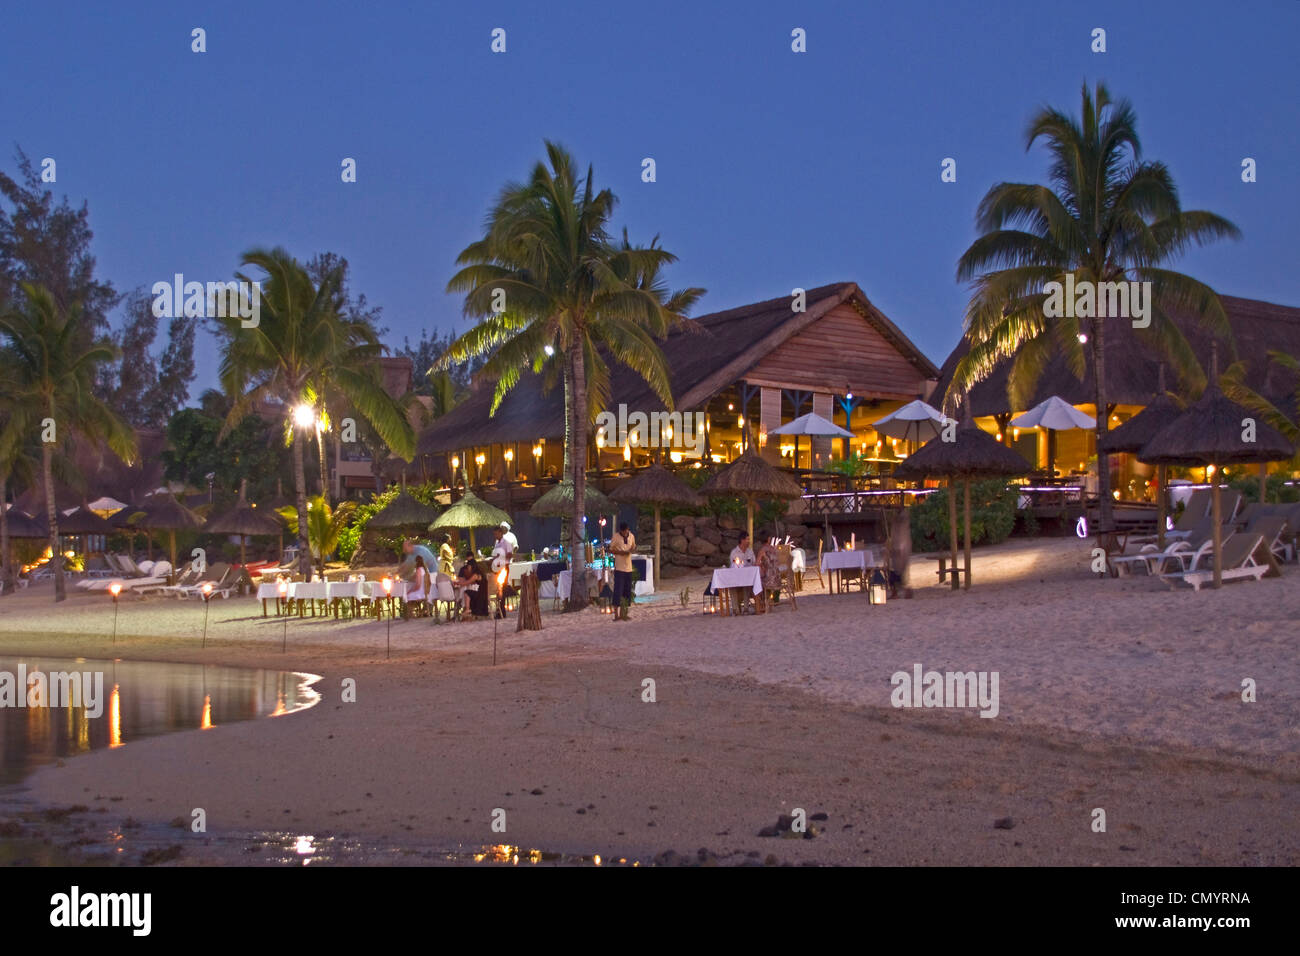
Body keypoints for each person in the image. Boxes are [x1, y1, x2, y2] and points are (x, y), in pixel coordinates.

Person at [608, 521, 636, 621]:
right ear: (621, 530)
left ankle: (624, 613)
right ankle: (616, 615)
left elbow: (633, 546)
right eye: (624, 531)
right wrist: (620, 552)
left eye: (626, 531)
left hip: (628, 567)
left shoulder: (631, 536)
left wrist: (631, 550)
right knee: (618, 591)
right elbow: (610, 549)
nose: (625, 533)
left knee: (627, 591)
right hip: (619, 567)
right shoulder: (615, 537)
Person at [756, 540, 781, 607]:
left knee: (757, 582)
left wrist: (762, 565)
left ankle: (763, 603)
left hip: (769, 579)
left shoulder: (762, 550)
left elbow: (757, 563)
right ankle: (775, 598)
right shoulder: (774, 549)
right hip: (778, 578)